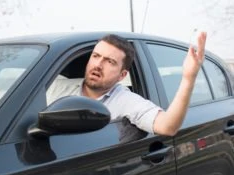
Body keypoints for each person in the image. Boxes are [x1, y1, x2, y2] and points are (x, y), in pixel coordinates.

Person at [49, 32, 207, 137]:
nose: (98, 64)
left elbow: (168, 126)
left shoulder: (125, 101)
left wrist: (188, 78)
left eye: (110, 62)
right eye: (96, 56)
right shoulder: (54, 88)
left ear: (122, 75)